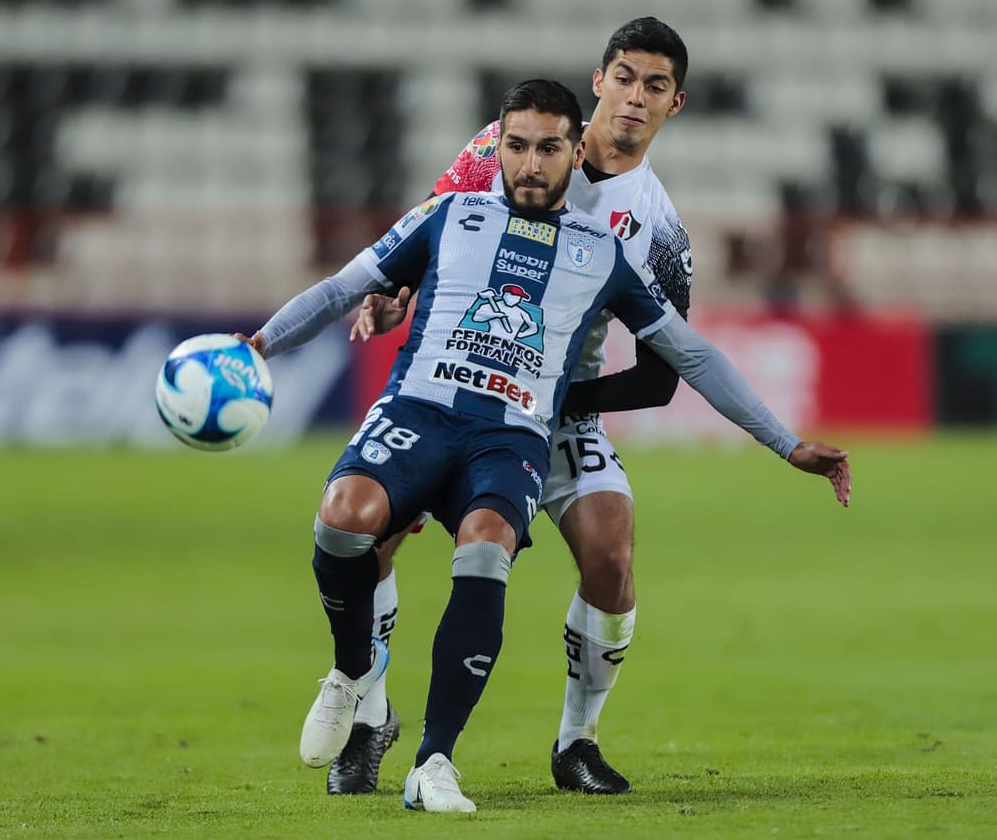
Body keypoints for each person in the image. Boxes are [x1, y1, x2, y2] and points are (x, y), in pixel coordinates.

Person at [241, 78, 850, 813]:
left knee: (489, 544)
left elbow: (689, 357)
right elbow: (343, 287)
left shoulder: (607, 250)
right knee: (343, 517)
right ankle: (352, 674)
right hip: (422, 407)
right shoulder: (448, 214)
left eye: (548, 149)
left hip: (512, 433)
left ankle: (436, 760)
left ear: (573, 151)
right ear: (497, 147)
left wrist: (786, 445)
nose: (531, 164)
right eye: (518, 147)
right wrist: (260, 345)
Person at [336, 17, 753, 797]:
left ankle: (576, 742)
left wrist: (557, 394)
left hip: (558, 412)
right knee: (372, 539)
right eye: (624, 77)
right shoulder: (512, 139)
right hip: (451, 385)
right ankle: (369, 714)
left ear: (676, 103)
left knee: (611, 554)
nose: (634, 96)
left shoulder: (659, 227)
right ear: (599, 80)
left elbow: (662, 378)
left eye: (654, 86)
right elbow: (430, 228)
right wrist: (391, 293)